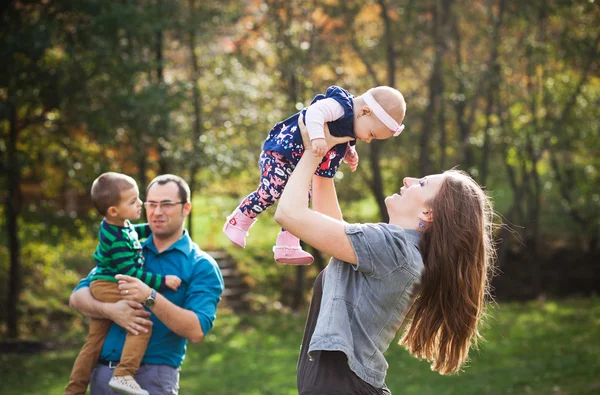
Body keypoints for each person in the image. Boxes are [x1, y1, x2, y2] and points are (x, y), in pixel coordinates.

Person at [274, 117, 496, 394]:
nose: (409, 179)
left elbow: (289, 214)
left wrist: (312, 149)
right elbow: (327, 227)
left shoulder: (394, 249)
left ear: (427, 213)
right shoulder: (396, 251)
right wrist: (327, 159)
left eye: (422, 183)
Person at [67, 174, 224, 395]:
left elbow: (197, 330)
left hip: (152, 379)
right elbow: (78, 297)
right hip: (101, 377)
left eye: (167, 204)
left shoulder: (200, 265)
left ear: (186, 208)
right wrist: (111, 311)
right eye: (151, 203)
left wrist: (149, 296)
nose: (157, 211)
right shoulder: (127, 248)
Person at [223, 85, 406, 265]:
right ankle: (239, 220)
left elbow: (341, 137)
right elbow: (315, 113)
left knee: (301, 200)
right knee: (271, 191)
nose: (367, 139)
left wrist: (349, 151)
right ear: (364, 111)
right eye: (371, 134)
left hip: (297, 162)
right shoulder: (340, 105)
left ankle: (287, 244)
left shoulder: (353, 123)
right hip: (281, 153)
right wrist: (317, 138)